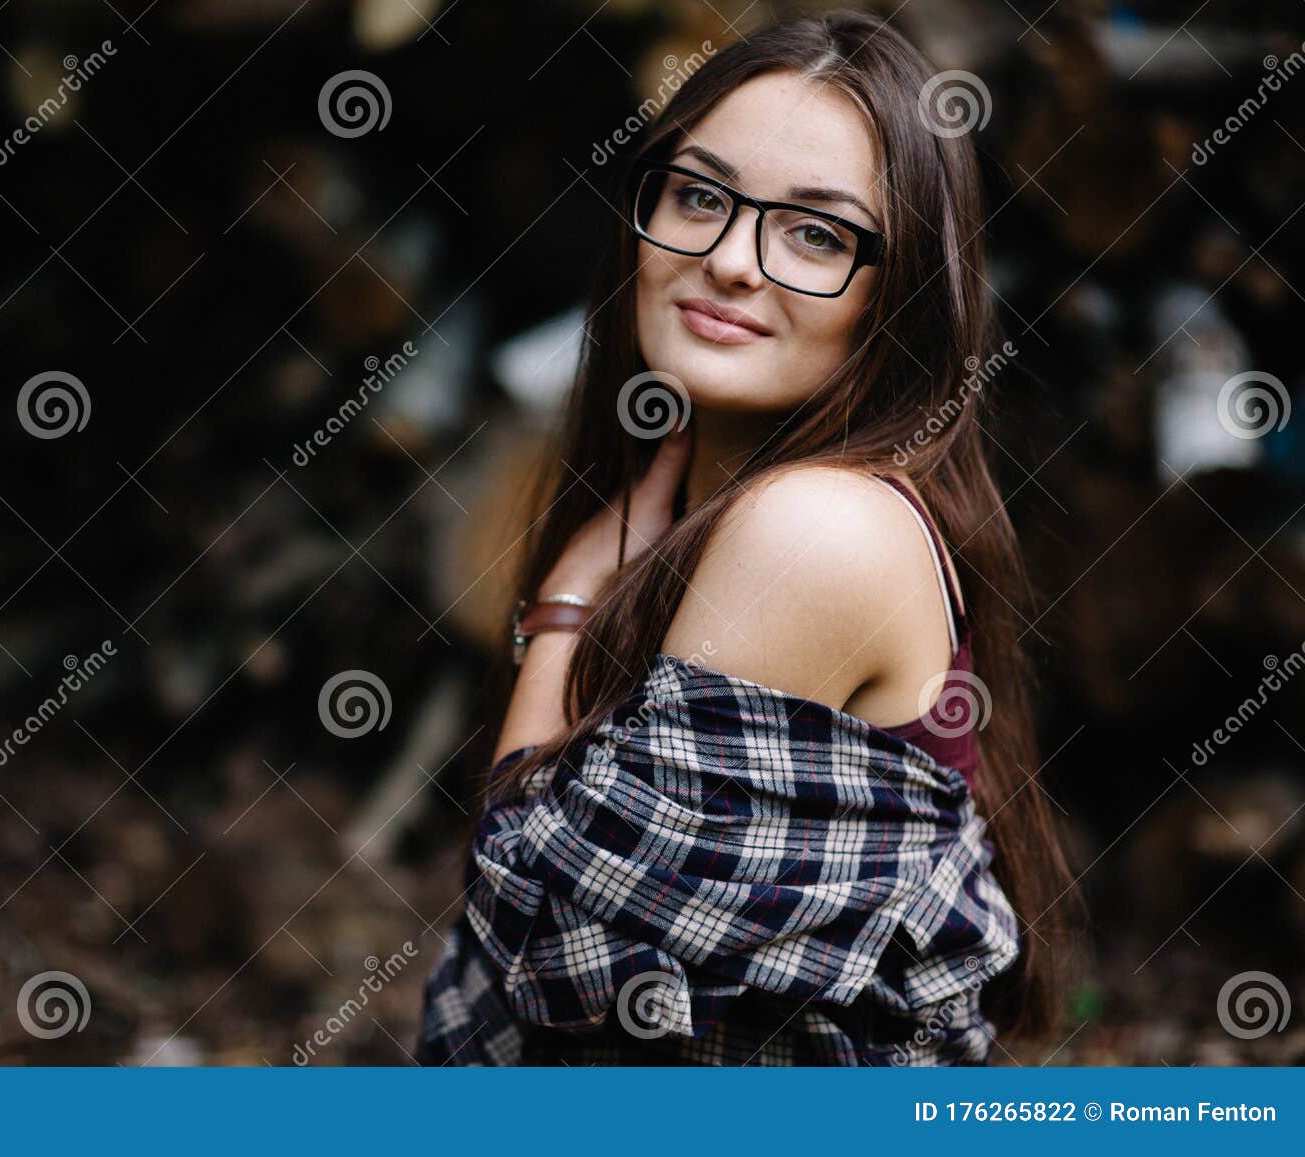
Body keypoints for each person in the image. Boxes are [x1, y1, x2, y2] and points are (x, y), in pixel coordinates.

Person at [418, 9, 1077, 1066]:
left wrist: (567, 608)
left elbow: (545, 937)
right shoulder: (726, 511)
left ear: (895, 296)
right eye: (698, 195)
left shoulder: (815, 529)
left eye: (814, 232)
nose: (729, 259)